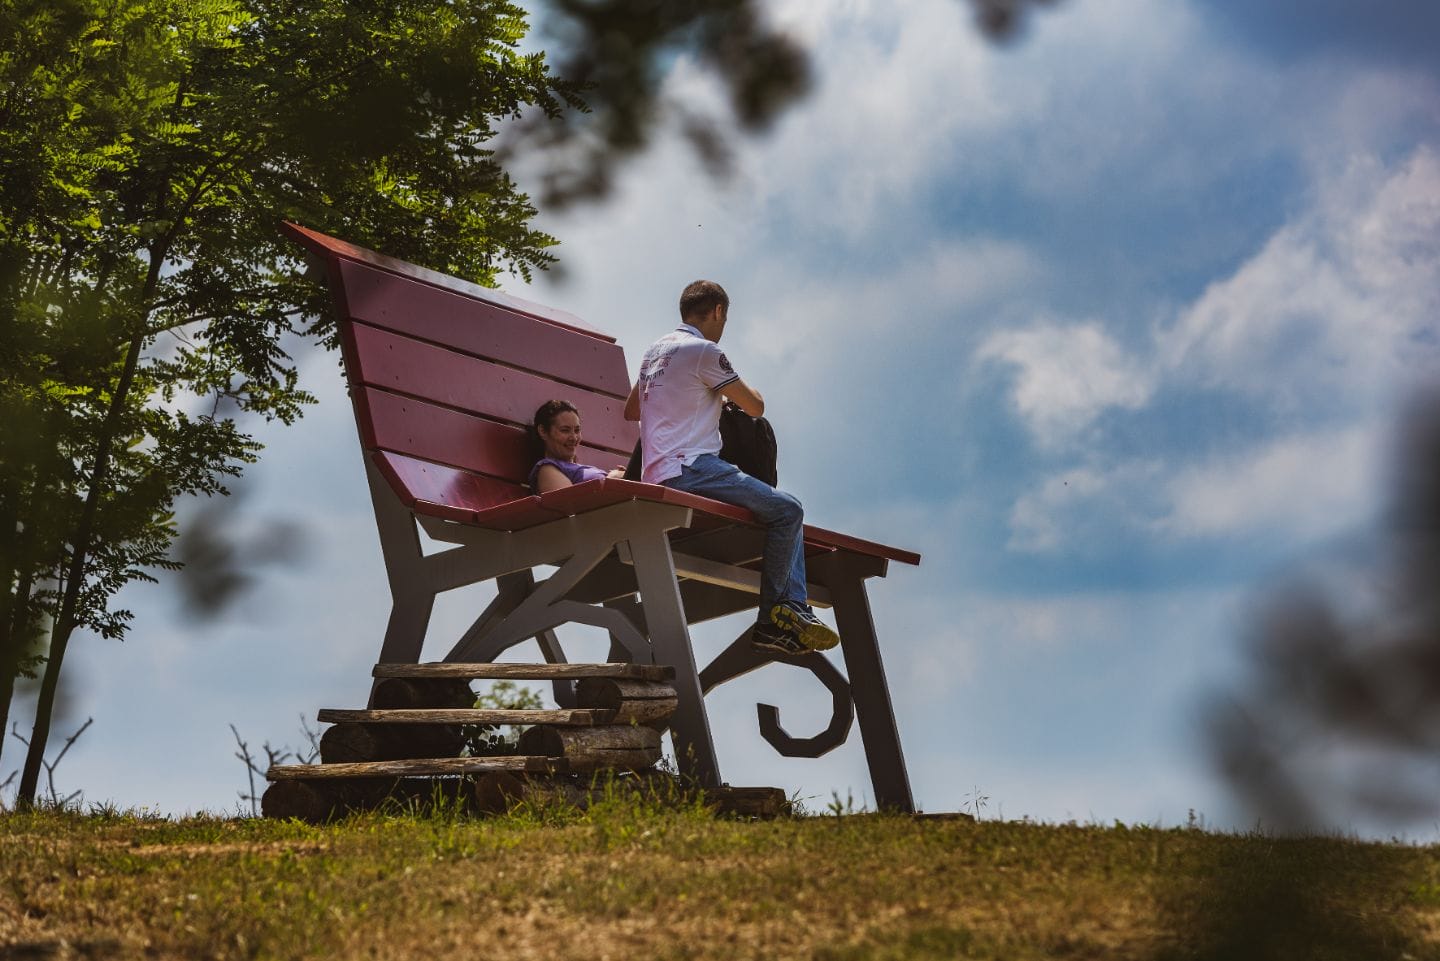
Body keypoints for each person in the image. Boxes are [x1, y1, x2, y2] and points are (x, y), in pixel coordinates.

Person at [623, 280, 839, 658]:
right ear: (718, 311)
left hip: (655, 472)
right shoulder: (705, 351)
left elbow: (632, 410)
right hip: (693, 468)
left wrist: (690, 396)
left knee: (782, 509)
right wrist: (719, 391)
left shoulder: (654, 352)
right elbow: (755, 407)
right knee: (788, 510)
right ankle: (779, 615)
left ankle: (787, 613)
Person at [527, 399, 624, 493]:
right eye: (565, 430)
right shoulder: (546, 469)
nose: (574, 437)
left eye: (577, 430)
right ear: (543, 431)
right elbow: (571, 503)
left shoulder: (582, 468)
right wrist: (612, 480)